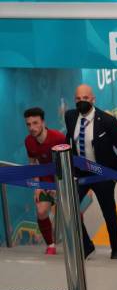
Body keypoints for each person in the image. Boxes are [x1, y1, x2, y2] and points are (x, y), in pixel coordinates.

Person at [65, 84, 117, 260]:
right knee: (70, 208)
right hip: (80, 174)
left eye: (85, 98)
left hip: (102, 174)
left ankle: (116, 249)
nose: (82, 102)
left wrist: (116, 175)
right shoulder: (70, 117)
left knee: (109, 213)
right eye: (78, 99)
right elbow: (69, 141)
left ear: (93, 99)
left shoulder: (107, 121)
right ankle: (87, 246)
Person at [23, 107, 66, 255]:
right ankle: (51, 245)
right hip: (44, 181)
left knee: (73, 214)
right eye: (28, 124)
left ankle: (78, 243)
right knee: (41, 211)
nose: (32, 128)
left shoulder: (59, 138)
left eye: (35, 123)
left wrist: (59, 186)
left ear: (43, 122)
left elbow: (68, 164)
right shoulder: (28, 141)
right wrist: (37, 185)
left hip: (62, 179)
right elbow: (33, 163)